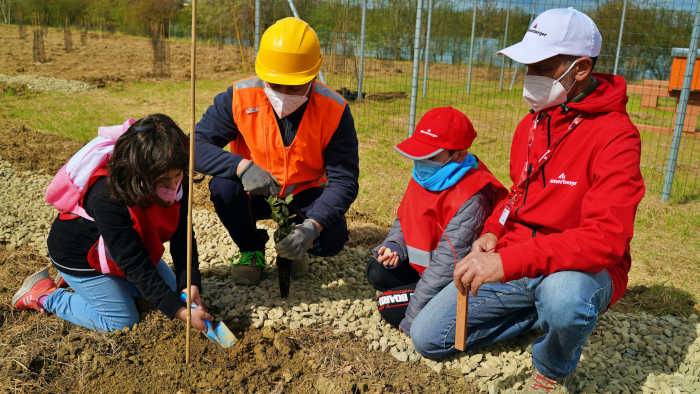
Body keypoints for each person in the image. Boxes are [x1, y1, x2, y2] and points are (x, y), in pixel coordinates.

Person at [409, 8, 645, 392]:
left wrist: (506, 261)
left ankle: (552, 362)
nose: (529, 76)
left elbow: (605, 240)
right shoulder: (532, 123)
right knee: (428, 338)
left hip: (579, 270)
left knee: (565, 298)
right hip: (522, 258)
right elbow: (519, 192)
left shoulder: (617, 138)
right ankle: (540, 317)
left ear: (581, 68)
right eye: (527, 65)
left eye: (541, 66)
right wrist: (491, 233)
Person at [194, 17, 359, 285]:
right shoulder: (238, 97)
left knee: (332, 237)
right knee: (224, 188)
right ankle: (251, 249)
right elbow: (196, 146)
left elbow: (345, 180)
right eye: (274, 83)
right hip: (253, 193)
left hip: (304, 197)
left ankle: (293, 243)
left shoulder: (334, 109)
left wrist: (312, 227)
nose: (283, 94)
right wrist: (242, 167)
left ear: (313, 76)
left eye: (293, 86)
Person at [12, 114, 211, 333]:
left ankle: (99, 288)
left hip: (120, 247)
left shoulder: (173, 169)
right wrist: (179, 312)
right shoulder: (106, 195)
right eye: (164, 181)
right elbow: (133, 261)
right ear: (140, 174)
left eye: (178, 176)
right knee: (122, 319)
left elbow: (182, 234)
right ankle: (46, 295)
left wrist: (189, 282)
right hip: (80, 256)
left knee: (174, 292)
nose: (174, 186)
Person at [366, 107, 506, 334]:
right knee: (377, 271)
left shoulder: (472, 197)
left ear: (458, 155)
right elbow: (406, 217)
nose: (421, 163)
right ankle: (417, 294)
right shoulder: (428, 175)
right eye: (418, 155)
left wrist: (412, 320)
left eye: (430, 157)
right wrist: (395, 245)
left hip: (449, 277)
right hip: (428, 269)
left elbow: (445, 266)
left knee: (387, 306)